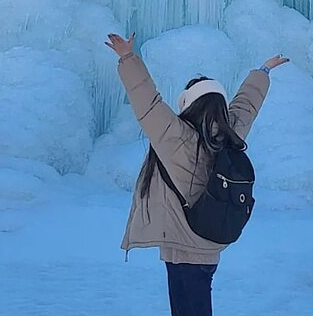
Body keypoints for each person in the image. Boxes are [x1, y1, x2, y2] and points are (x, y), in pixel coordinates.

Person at [105, 32, 289, 316]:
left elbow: (147, 102)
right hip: (211, 241)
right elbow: (246, 106)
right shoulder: (230, 134)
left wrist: (128, 58)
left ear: (189, 104)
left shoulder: (177, 138)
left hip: (182, 244)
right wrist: (262, 72)